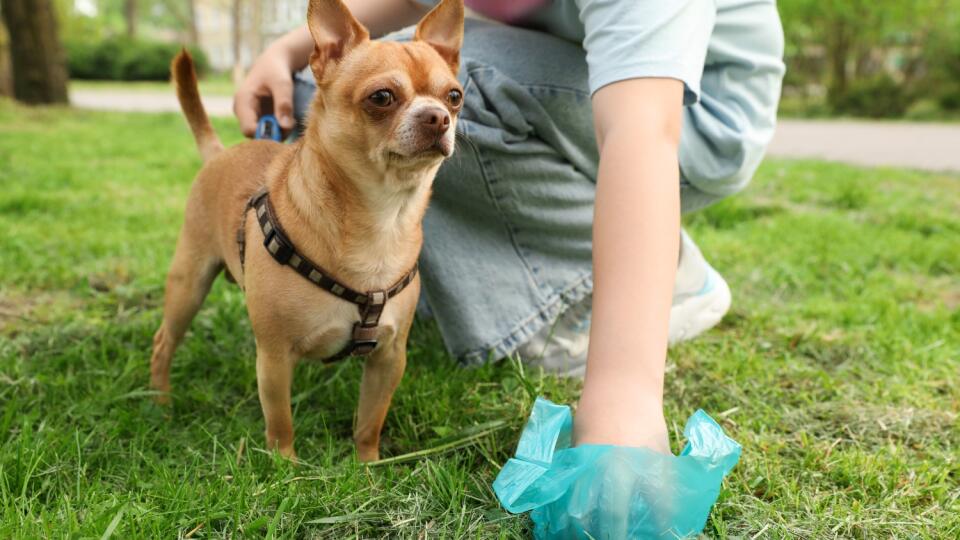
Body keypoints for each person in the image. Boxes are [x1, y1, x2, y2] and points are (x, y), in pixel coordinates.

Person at [235, 0, 783, 458]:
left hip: (694, 112)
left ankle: (633, 282)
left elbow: (644, 129)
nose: (437, 113)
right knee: (326, 94)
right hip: (582, 76)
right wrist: (283, 52)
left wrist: (625, 398)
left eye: (447, 105)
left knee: (451, 78)